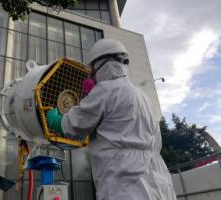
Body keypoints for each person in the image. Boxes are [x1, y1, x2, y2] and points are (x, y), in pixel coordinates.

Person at [47, 39, 177, 200]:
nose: (90, 76)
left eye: (92, 70)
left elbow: (75, 125)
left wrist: (57, 120)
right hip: (160, 183)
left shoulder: (106, 89)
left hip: (125, 185)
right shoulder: (144, 97)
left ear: (103, 64)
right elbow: (157, 142)